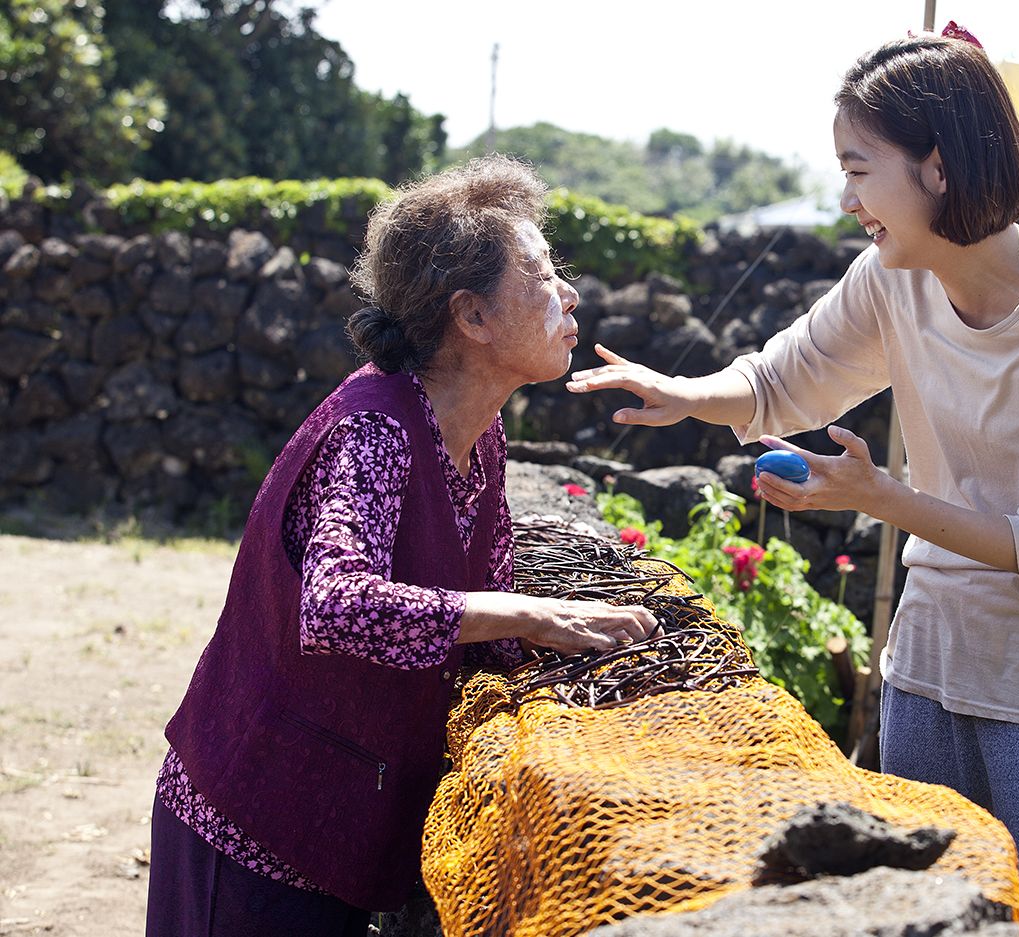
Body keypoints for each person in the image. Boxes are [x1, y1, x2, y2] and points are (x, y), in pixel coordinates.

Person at [567, 31, 1019, 937]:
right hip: (928, 674)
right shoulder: (894, 281)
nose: (847, 201)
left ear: (938, 167)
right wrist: (683, 393)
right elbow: (778, 382)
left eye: (859, 171)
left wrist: (878, 496)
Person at [145, 156, 654, 936]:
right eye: (544, 275)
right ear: (472, 317)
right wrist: (529, 612)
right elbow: (337, 605)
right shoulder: (377, 428)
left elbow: (486, 622)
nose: (570, 294)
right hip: (252, 830)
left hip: (337, 827)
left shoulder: (478, 432)